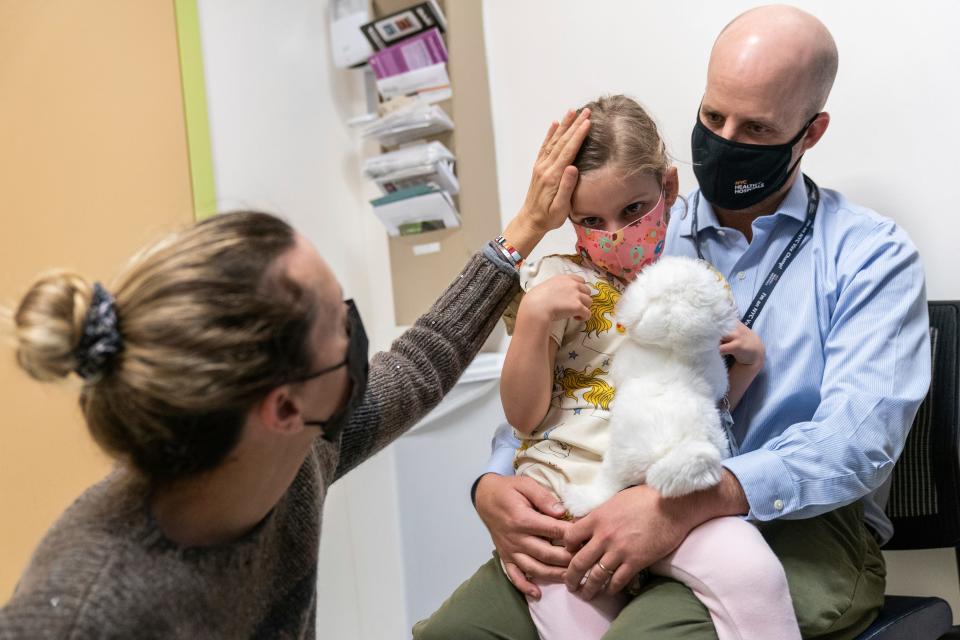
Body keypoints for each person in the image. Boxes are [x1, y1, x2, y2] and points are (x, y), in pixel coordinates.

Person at [414, 6, 931, 640]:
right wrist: (493, 485)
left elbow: (859, 444)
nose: (726, 139)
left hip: (796, 528)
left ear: (811, 131)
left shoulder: (869, 254)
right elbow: (578, 385)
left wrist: (684, 505)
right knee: (455, 633)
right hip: (615, 496)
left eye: (758, 126)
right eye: (714, 117)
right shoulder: (639, 231)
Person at [0, 109, 591, 638]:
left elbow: (418, 363)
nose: (356, 332)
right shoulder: (84, 611)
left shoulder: (292, 455)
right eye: (339, 320)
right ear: (283, 408)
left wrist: (524, 231)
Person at [495, 94, 799, 640]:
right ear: (569, 219)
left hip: (667, 493)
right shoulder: (556, 282)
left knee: (751, 572)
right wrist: (535, 321)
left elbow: (703, 400)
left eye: (633, 211)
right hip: (570, 501)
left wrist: (747, 365)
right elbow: (522, 416)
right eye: (591, 220)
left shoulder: (693, 287)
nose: (614, 232)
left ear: (669, 189)